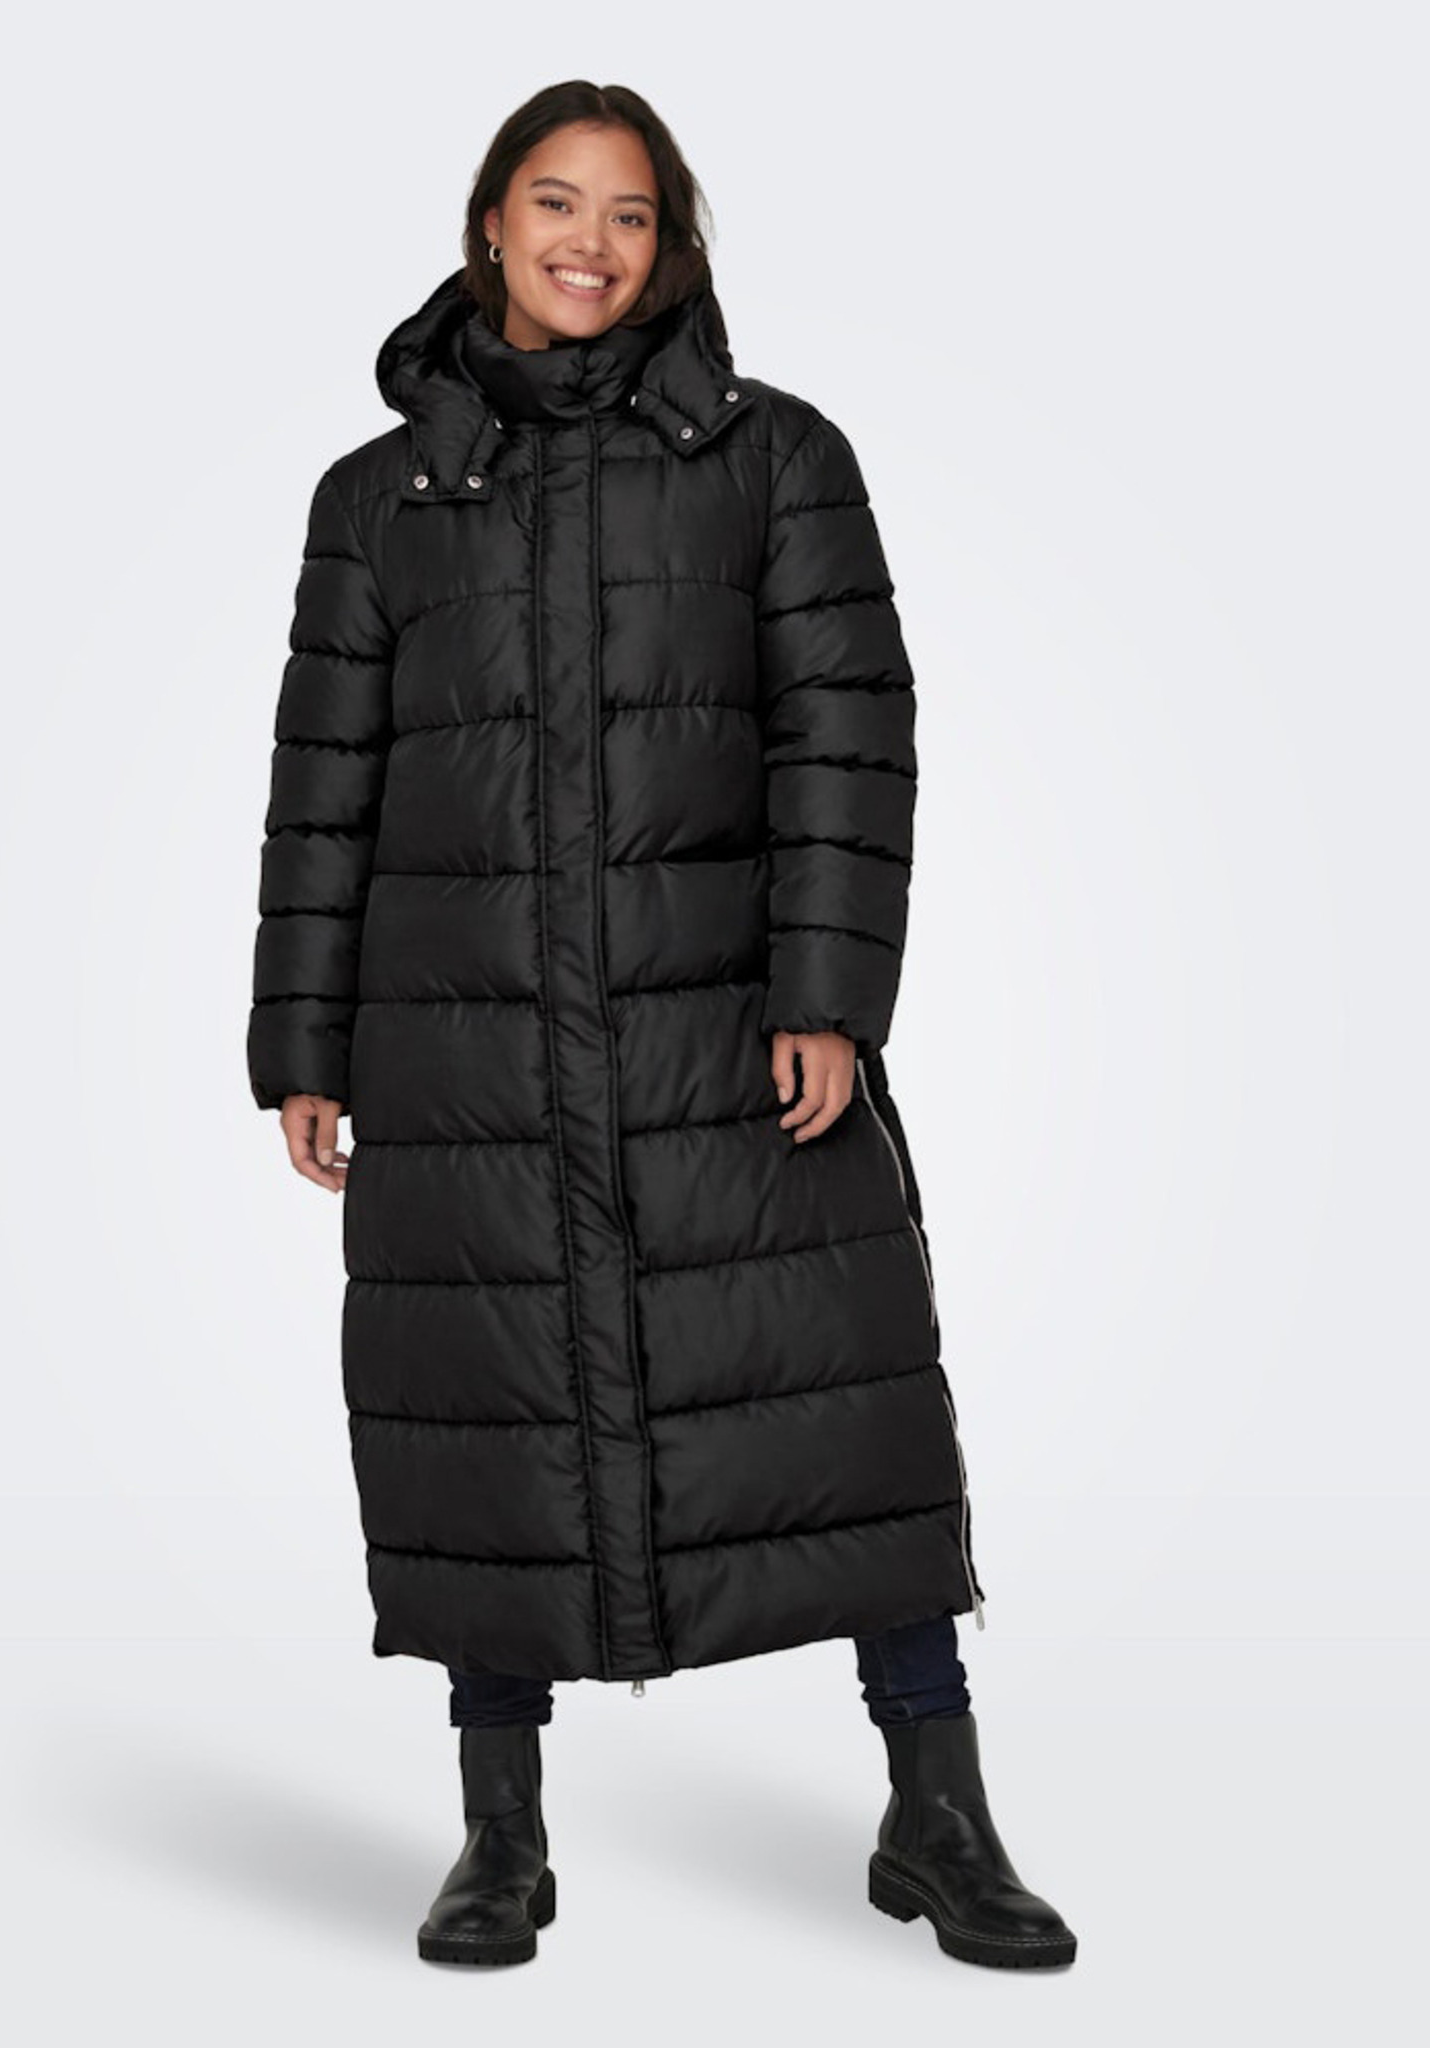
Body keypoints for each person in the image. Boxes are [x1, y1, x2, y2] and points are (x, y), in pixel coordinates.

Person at [246, 79, 1076, 1973]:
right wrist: (304, 1039)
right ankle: (499, 1832)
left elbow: (846, 741)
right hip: (465, 1044)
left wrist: (829, 997)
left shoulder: (775, 459)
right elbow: (325, 785)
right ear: (489, 225)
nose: (589, 244)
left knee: (849, 1406)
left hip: (723, 1038)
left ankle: (937, 1810)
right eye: (556, 203)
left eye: (628, 214)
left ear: (672, 244)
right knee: (489, 1420)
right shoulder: (378, 500)